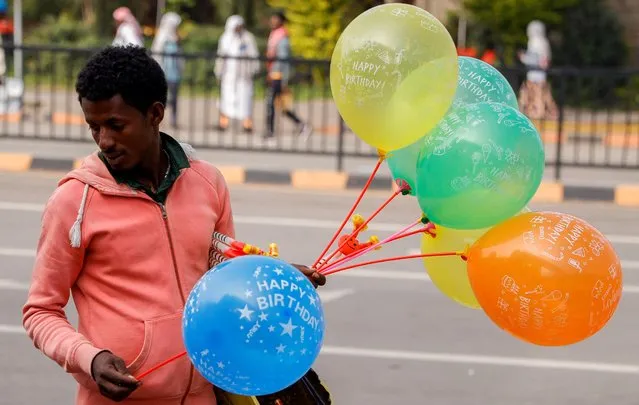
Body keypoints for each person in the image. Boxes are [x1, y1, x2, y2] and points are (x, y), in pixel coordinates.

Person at [21, 45, 326, 405]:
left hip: (205, 396)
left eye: (116, 126)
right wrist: (89, 359)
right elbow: (40, 311)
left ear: (155, 114)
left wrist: (273, 281)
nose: (105, 141)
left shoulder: (207, 182)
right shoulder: (74, 202)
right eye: (94, 127)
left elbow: (222, 274)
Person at [265, 10, 312, 140]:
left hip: (278, 76)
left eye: (275, 18)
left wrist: (282, 78)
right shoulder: (275, 34)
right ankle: (302, 125)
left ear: (281, 20)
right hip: (274, 74)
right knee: (280, 105)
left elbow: (283, 60)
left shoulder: (282, 37)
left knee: (272, 103)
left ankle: (271, 132)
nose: (272, 21)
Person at [215, 15, 260, 133]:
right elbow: (221, 57)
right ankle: (223, 123)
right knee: (226, 98)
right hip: (228, 76)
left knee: (245, 99)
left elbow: (253, 54)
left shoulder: (248, 38)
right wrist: (218, 72)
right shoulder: (225, 38)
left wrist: (254, 69)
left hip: (244, 77)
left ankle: (247, 124)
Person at [518, 20, 558, 120]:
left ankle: (537, 112)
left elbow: (534, 59)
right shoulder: (543, 41)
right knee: (542, 95)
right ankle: (543, 112)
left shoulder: (535, 42)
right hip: (539, 74)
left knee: (534, 94)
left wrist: (523, 57)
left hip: (535, 74)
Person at [151, 12, 184, 128]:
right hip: (163, 72)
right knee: (161, 98)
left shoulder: (176, 38)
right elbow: (157, 55)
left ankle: (173, 120)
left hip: (174, 73)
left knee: (174, 98)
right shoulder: (162, 37)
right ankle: (158, 119)